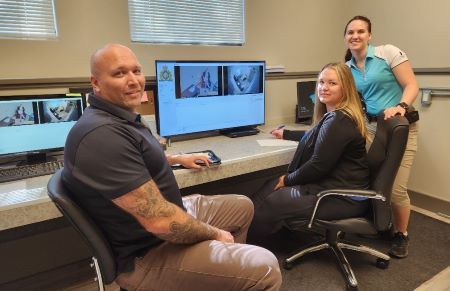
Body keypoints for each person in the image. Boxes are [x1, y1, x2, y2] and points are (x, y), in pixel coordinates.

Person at [62, 43, 282, 291]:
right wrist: (215, 234)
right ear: (96, 82)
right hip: (147, 253)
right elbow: (161, 222)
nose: (134, 80)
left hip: (161, 223)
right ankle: (234, 272)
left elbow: (132, 158)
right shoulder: (101, 135)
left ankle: (224, 279)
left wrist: (177, 158)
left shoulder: (116, 117)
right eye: (119, 73)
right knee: (267, 268)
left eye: (136, 71)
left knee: (242, 207)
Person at [248, 63, 370, 240]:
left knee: (273, 200)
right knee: (271, 184)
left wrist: (287, 179)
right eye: (321, 82)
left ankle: (242, 243)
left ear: (346, 88)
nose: (324, 88)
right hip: (333, 187)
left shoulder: (339, 121)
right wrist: (287, 133)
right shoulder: (337, 116)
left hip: (342, 197)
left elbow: (318, 166)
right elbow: (318, 135)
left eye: (332, 83)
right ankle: (240, 231)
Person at [344, 15, 419, 258]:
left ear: (369, 35)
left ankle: (401, 234)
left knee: (396, 188)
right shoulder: (347, 68)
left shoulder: (388, 53)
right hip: (373, 128)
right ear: (345, 37)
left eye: (360, 31)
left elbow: (411, 85)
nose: (355, 36)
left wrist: (401, 106)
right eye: (350, 32)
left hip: (400, 125)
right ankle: (381, 224)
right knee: (373, 179)